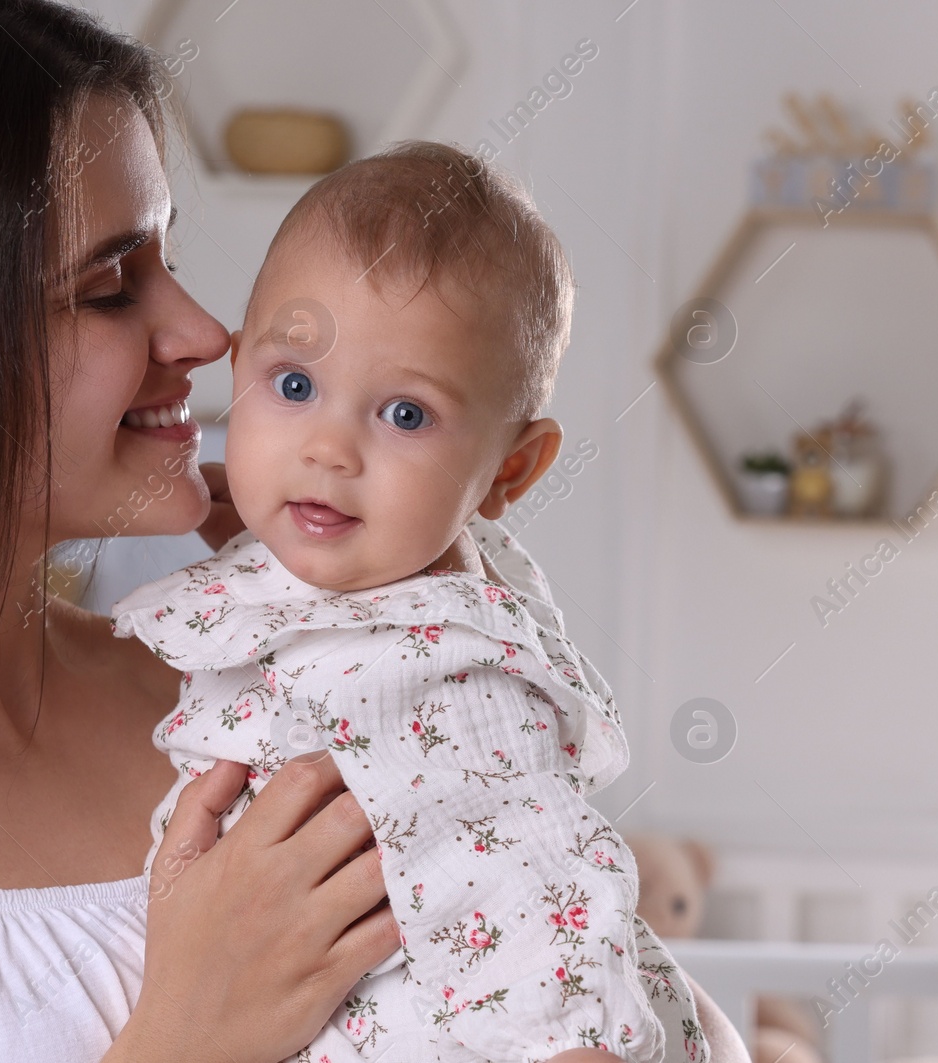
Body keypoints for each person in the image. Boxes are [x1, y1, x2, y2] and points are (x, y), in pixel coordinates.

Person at [0, 1, 751, 1060]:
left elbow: (612, 988)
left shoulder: (272, 696)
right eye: (111, 288)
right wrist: (189, 1034)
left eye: (167, 255)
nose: (206, 333)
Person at [110, 142, 708, 1063]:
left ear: (509, 469)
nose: (329, 449)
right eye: (295, 386)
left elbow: (541, 867)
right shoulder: (351, 580)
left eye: (406, 416)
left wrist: (572, 1043)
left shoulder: (454, 675)